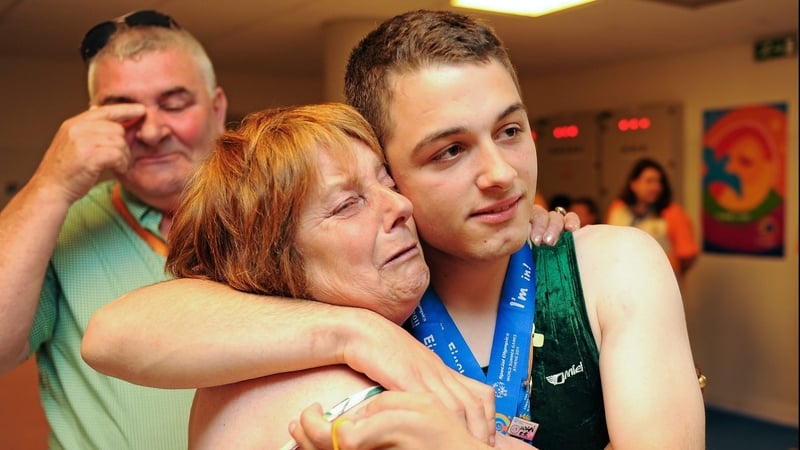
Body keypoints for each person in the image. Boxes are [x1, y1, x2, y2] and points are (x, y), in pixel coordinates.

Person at [81, 9, 706, 450]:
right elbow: (115, 332)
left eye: (510, 130)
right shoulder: (346, 307)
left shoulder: (605, 266)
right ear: (391, 164)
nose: (500, 174)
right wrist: (359, 335)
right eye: (449, 151)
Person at [169, 103, 530, 449]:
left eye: (387, 184)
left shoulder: (245, 368)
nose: (401, 206)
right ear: (268, 262)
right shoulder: (345, 409)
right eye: (347, 205)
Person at [0, 10, 229, 448]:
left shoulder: (280, 214)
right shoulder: (58, 226)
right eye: (123, 111)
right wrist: (52, 184)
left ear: (217, 109)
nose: (151, 130)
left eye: (175, 104)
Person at [606, 157, 699, 276]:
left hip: (659, 279)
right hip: (622, 276)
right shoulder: (617, 208)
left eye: (659, 182)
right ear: (633, 184)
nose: (656, 187)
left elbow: (687, 255)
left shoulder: (672, 213)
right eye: (649, 181)